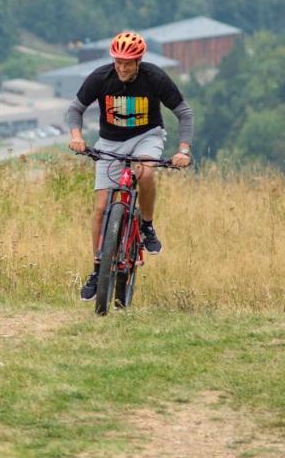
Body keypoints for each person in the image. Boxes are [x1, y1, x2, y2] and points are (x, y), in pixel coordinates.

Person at [67, 31, 193, 301]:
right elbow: (75, 109)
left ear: (139, 61)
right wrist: (76, 136)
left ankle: (146, 225)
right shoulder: (101, 77)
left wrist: (183, 150)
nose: (122, 68)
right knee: (100, 208)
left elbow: (183, 112)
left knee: (145, 172)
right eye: (118, 62)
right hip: (109, 143)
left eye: (128, 62)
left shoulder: (155, 78)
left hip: (146, 138)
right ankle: (97, 268)